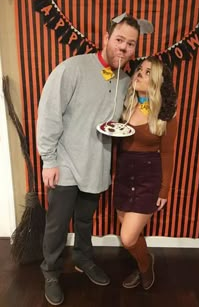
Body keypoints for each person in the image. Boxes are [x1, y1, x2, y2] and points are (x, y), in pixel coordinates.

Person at [37, 15, 140, 306]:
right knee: (57, 224)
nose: (123, 48)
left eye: (130, 44)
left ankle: (84, 259)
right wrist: (49, 159)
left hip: (97, 162)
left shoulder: (126, 81)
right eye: (119, 40)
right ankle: (51, 271)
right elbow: (49, 113)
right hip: (66, 161)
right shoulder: (73, 68)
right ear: (106, 38)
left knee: (84, 220)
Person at [113, 56, 177, 290]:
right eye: (140, 69)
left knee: (128, 237)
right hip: (123, 175)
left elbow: (168, 154)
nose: (140, 72)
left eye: (148, 72)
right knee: (130, 236)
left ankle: (146, 265)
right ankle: (142, 262)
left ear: (157, 81)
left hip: (148, 178)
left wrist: (164, 189)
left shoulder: (165, 113)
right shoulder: (123, 105)